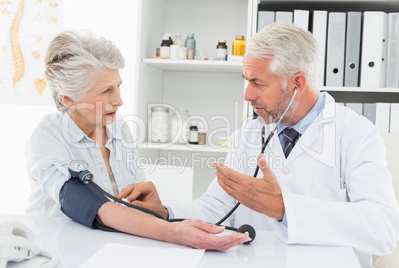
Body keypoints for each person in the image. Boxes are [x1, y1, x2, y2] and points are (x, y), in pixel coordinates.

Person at [118, 23, 399, 267]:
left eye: (258, 83)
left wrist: (284, 208)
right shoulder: (249, 134)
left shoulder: (357, 134)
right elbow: (218, 207)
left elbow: (383, 229)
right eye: (246, 80)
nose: (247, 95)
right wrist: (166, 212)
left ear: (296, 84)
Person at [25, 29, 250, 250]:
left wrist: (158, 211)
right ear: (69, 99)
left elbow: (134, 209)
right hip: (58, 252)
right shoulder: (49, 135)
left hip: (112, 249)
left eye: (118, 86)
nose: (119, 100)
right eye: (106, 91)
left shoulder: (120, 129)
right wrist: (174, 232)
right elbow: (81, 200)